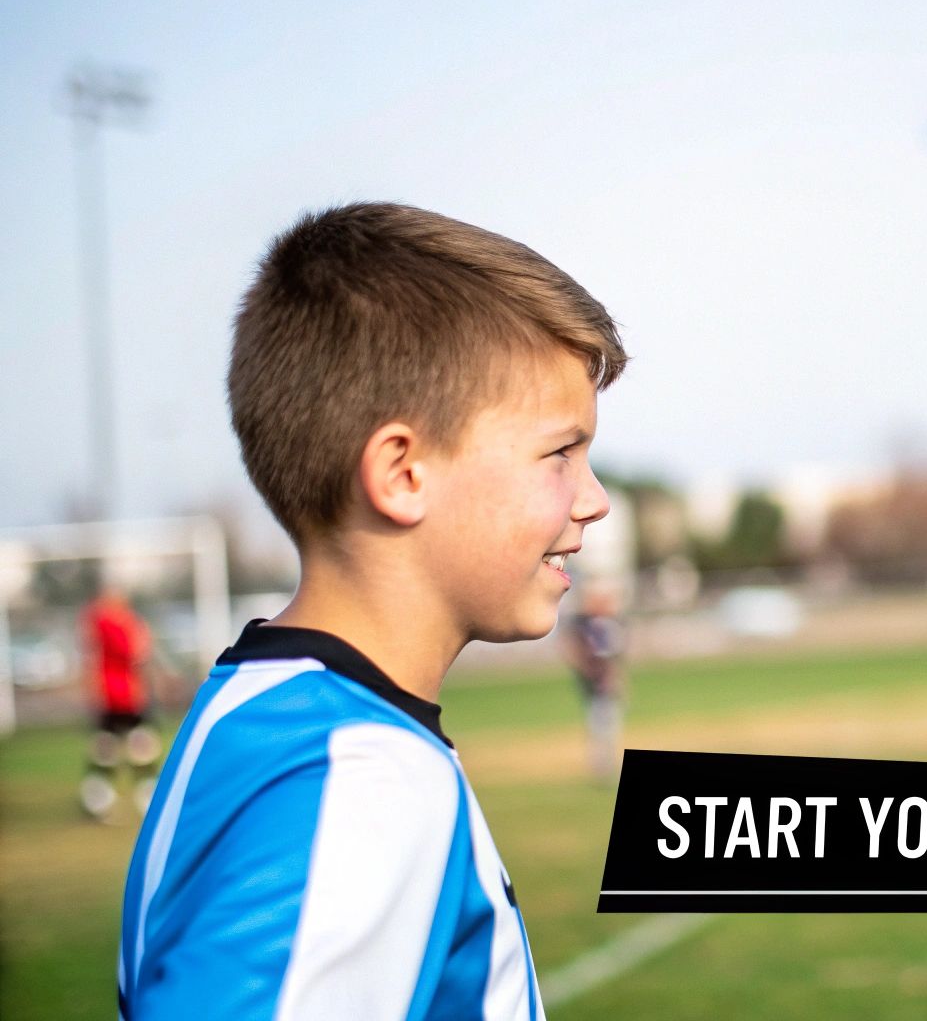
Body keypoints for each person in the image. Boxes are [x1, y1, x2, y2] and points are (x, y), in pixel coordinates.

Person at [116, 202, 626, 1018]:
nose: (594, 500)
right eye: (561, 453)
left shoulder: (251, 707)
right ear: (403, 473)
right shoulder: (362, 779)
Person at [78, 585, 161, 821]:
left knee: (111, 750)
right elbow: (135, 653)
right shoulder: (111, 623)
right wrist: (139, 634)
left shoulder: (99, 621)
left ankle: (99, 803)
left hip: (118, 694)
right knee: (133, 749)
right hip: (122, 696)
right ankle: (138, 801)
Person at [563, 582, 631, 779]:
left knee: (608, 723)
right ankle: (601, 766)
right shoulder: (586, 624)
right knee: (600, 723)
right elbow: (578, 651)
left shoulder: (609, 623)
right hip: (596, 683)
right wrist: (592, 671)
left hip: (605, 682)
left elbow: (616, 656)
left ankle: (605, 763)